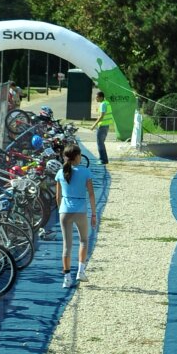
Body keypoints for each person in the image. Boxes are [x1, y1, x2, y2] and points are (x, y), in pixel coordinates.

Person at [55, 139, 97, 289]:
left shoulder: (60, 173)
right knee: (83, 240)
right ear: (78, 156)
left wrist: (61, 210)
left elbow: (58, 196)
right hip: (80, 210)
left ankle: (67, 277)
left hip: (65, 211)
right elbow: (91, 194)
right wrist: (93, 214)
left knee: (67, 245)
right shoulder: (85, 172)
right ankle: (80, 271)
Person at [93, 92, 112, 169]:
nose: (96, 98)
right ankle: (104, 159)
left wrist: (93, 125)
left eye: (97, 97)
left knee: (100, 143)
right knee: (101, 143)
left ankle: (103, 160)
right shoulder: (107, 103)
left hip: (102, 126)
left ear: (101, 97)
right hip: (106, 125)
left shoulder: (103, 104)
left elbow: (101, 116)